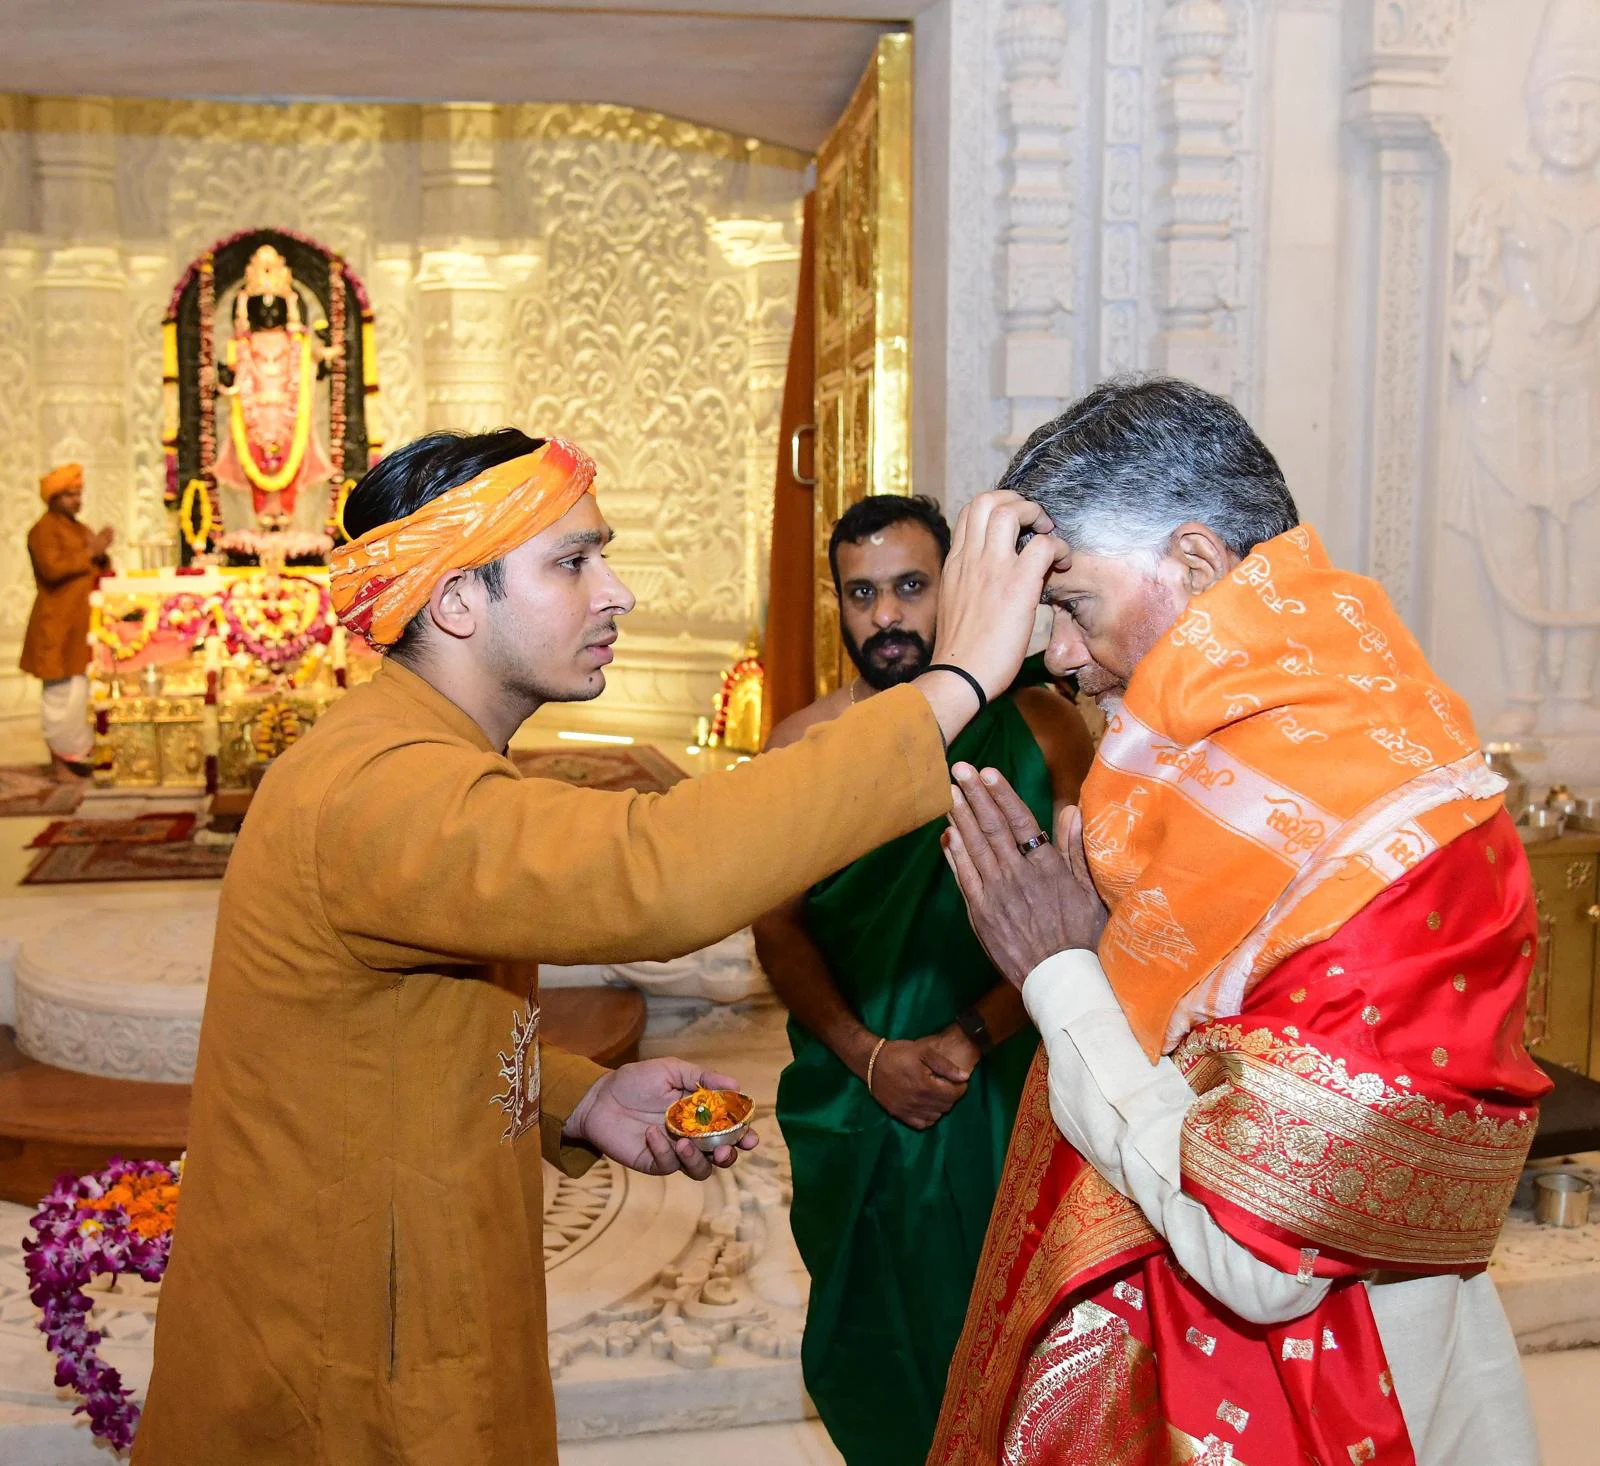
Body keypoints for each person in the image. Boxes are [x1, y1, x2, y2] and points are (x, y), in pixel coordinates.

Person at [133, 428, 1062, 1466]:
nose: (615, 591)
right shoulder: (379, 786)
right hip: (340, 1352)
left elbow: (393, 1027)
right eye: (573, 562)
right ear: (454, 601)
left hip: (414, 1288)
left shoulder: (418, 757)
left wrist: (575, 1093)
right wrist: (959, 680)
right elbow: (656, 871)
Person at [930, 378, 1547, 1466]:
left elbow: (1257, 1250)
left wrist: (1064, 974)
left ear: (1200, 565)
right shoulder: (1217, 777)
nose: (1060, 657)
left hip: (1318, 1389)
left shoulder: (1391, 833)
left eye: (1069, 603)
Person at [752, 494, 1094, 1466]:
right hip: (857, 1093)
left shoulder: (1040, 725)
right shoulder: (803, 746)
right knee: (878, 1336)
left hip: (1004, 1078)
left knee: (1014, 1318)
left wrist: (969, 1036)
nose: (886, 616)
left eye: (910, 586)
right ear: (838, 605)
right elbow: (774, 927)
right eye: (861, 594)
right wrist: (867, 1056)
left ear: (953, 589)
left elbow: (1088, 907)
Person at [21, 463, 112, 781]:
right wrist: (92, 550)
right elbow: (52, 569)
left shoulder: (79, 528)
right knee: (60, 696)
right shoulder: (42, 530)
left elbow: (96, 565)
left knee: (80, 695)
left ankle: (77, 757)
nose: (78, 501)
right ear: (54, 498)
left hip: (82, 629)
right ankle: (61, 764)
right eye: (71, 495)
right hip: (55, 627)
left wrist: (100, 553)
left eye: (79, 494)